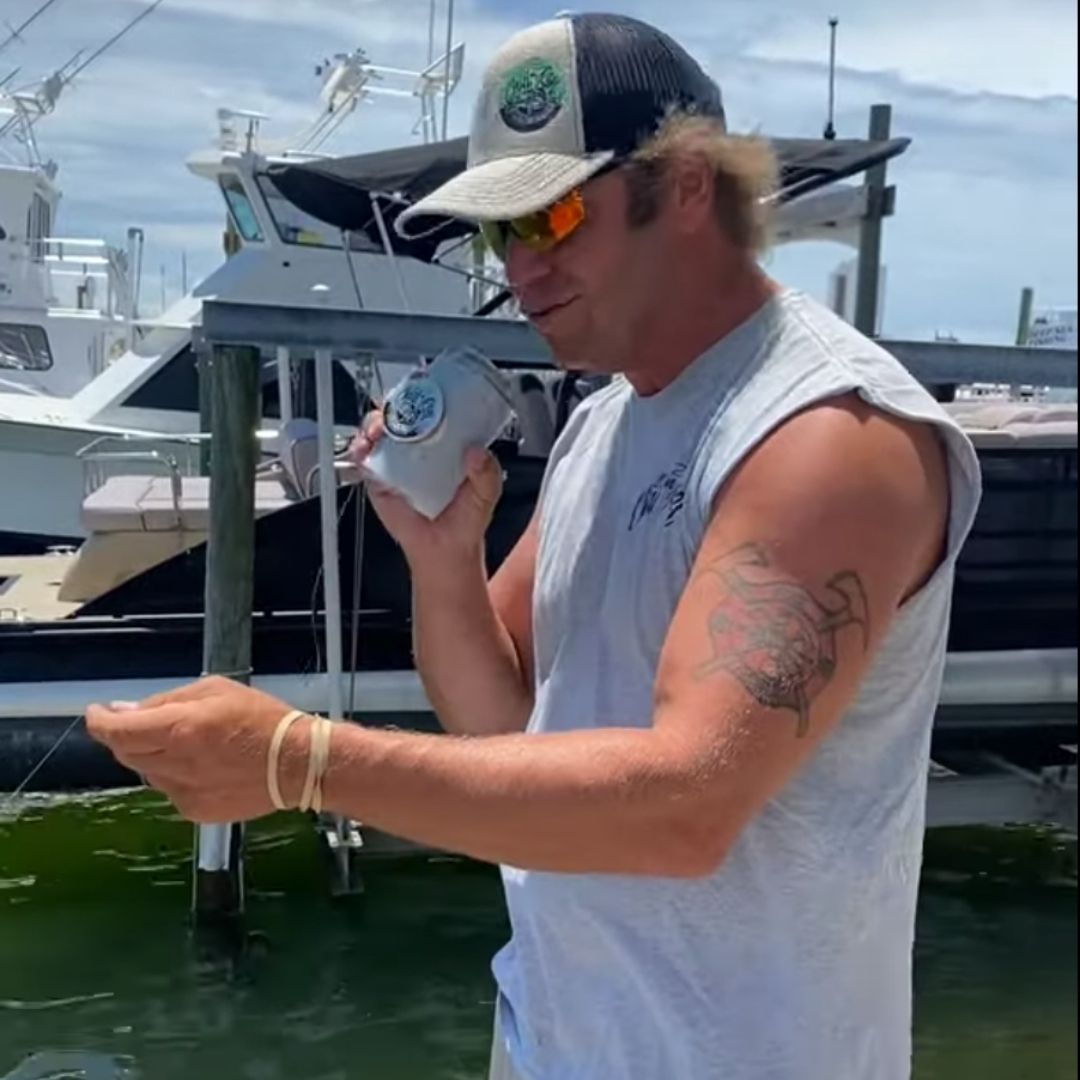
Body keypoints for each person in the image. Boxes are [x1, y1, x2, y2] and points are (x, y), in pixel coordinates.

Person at [88, 13, 983, 1080]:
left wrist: (301, 761)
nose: (521, 265)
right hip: (553, 1040)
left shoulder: (826, 436)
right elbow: (506, 726)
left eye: (553, 215)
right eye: (497, 232)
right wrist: (441, 561)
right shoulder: (607, 421)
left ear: (690, 185)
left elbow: (688, 808)